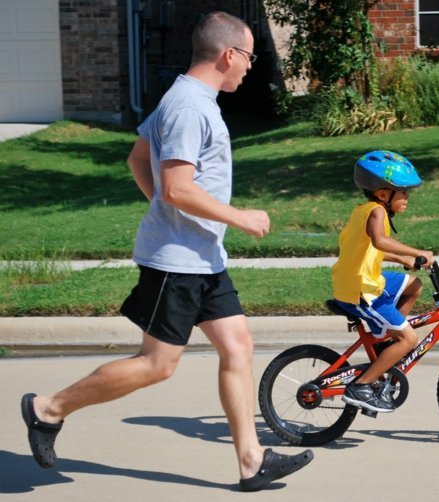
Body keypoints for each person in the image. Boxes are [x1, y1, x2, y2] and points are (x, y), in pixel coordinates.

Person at [20, 11, 312, 492]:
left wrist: (167, 208)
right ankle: (47, 408)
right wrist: (238, 216)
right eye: (249, 58)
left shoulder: (187, 97)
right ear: (229, 55)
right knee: (158, 365)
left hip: (202, 257)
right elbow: (177, 188)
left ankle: (250, 461)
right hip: (176, 262)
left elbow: (139, 159)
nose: (250, 67)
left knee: (238, 346)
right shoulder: (189, 108)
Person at [331, 150, 435, 413]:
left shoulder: (365, 210)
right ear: (382, 194)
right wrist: (417, 253)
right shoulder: (376, 212)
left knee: (414, 286)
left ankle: (388, 340)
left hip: (365, 279)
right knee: (409, 339)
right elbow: (379, 241)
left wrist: (403, 260)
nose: (407, 197)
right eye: (402, 192)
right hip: (361, 291)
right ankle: (361, 387)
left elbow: (369, 249)